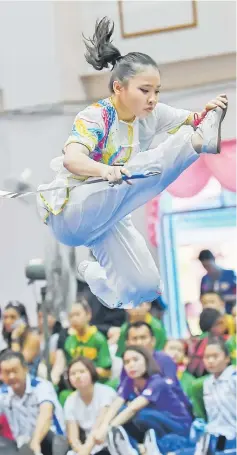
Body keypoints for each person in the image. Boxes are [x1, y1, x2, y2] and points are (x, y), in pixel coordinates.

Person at [37, 16, 228, 311]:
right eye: (144, 90)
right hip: (74, 209)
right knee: (141, 172)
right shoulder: (96, 116)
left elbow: (194, 119)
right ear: (118, 88)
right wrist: (104, 170)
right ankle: (195, 145)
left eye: (157, 90)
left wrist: (208, 112)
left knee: (145, 288)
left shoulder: (152, 113)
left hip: (108, 217)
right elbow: (72, 158)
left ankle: (91, 273)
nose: (152, 98)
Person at [92, 346, 193, 455]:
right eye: (126, 362)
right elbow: (115, 405)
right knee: (122, 411)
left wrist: (109, 430)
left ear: (146, 361)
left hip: (178, 425)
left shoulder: (157, 381)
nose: (131, 365)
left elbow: (133, 408)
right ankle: (135, 448)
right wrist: (103, 427)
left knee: (138, 415)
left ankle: (140, 448)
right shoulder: (129, 381)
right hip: (152, 422)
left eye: (135, 360)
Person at [0, 350, 67, 455]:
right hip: (23, 445)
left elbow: (46, 414)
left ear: (25, 369)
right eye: (7, 373)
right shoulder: (3, 394)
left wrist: (35, 442)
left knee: (45, 438)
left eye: (14, 371)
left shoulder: (41, 386)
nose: (11, 376)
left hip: (53, 441)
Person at [51, 298, 112, 391]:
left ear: (88, 315)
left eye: (77, 315)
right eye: (71, 316)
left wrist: (87, 374)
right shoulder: (69, 341)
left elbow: (107, 372)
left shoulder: (98, 339)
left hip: (97, 385)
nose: (74, 319)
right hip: (76, 385)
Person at [65, 357, 116, 455]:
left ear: (91, 372)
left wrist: (85, 451)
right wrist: (81, 450)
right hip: (87, 448)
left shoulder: (106, 392)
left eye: (82, 371)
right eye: (73, 373)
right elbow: (73, 438)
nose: (77, 376)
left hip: (107, 443)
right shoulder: (70, 400)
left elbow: (99, 426)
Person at [202, 336, 236, 452]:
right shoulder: (207, 383)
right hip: (214, 437)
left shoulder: (234, 379)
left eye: (215, 356)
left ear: (227, 358)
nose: (210, 361)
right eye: (207, 357)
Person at [2, 302, 41, 377]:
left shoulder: (33, 338)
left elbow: (17, 364)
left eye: (13, 317)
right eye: (5, 317)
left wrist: (15, 337)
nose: (8, 321)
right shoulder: (8, 339)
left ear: (23, 320)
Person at [199, 249, 236, 314]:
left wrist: (222, 298)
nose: (208, 269)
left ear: (214, 260)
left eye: (209, 265)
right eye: (205, 266)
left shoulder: (230, 274)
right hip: (213, 317)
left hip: (230, 313)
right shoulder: (205, 279)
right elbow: (202, 298)